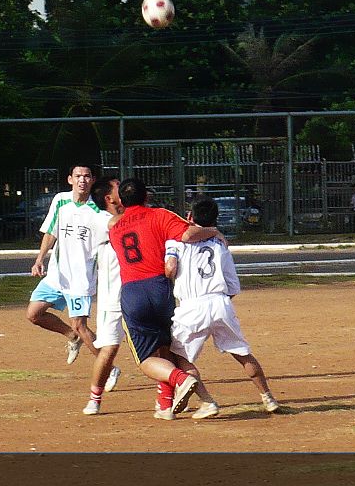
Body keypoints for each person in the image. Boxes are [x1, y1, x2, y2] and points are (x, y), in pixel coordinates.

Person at [107, 177, 228, 421]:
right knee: (167, 348)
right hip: (161, 288)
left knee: (146, 359)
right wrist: (213, 231)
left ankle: (180, 379)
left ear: (121, 201)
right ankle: (166, 405)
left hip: (133, 291)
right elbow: (188, 234)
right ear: (146, 197)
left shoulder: (114, 227)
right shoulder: (160, 215)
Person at [164, 197, 282, 419]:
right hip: (220, 302)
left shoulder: (176, 242)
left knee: (179, 357)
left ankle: (207, 401)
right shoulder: (221, 245)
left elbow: (170, 269)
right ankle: (268, 397)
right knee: (242, 352)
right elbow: (233, 286)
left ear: (189, 217)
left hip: (191, 305)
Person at [26, 164, 104, 366]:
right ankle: (72, 337)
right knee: (34, 314)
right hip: (57, 274)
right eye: (78, 176)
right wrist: (39, 259)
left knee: (80, 325)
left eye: (87, 176)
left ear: (93, 180)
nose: (82, 180)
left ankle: (109, 367)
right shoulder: (60, 200)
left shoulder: (99, 210)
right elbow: (51, 232)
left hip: (81, 279)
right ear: (70, 179)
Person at [82, 178, 125, 415]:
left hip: (138, 292)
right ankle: (94, 398)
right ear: (109, 198)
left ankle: (167, 396)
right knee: (109, 349)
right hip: (113, 298)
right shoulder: (100, 218)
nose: (123, 188)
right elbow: (116, 223)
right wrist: (143, 212)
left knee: (157, 346)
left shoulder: (128, 215)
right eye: (118, 187)